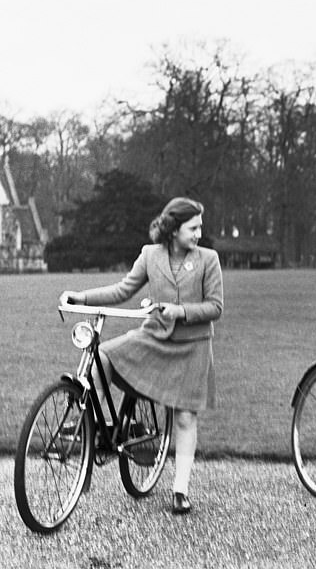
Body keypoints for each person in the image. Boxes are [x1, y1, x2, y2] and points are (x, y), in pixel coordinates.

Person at [59, 196, 223, 516]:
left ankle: (180, 490)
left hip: (193, 345)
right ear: (173, 230)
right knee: (102, 356)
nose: (199, 233)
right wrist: (81, 296)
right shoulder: (151, 255)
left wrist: (181, 310)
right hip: (153, 337)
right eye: (193, 228)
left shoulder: (208, 260)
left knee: (186, 417)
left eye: (200, 227)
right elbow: (123, 290)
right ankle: (92, 424)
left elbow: (216, 306)